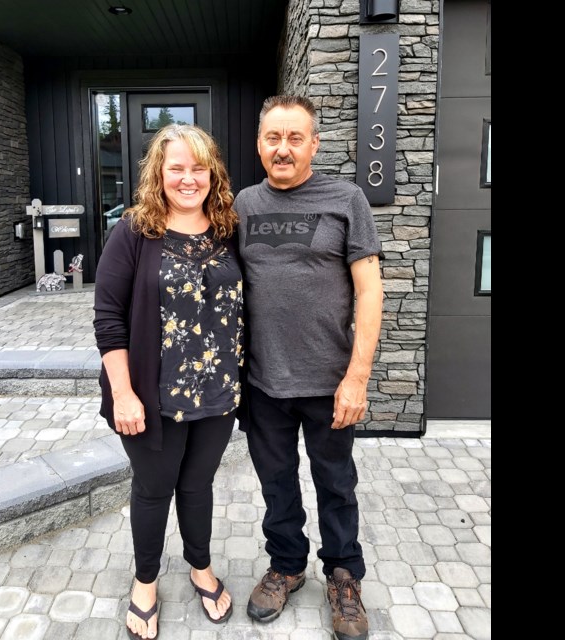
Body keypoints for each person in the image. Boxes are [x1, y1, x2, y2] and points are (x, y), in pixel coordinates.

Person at [235, 95, 384, 640]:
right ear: (259, 144)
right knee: (276, 483)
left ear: (314, 144)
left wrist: (357, 377)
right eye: (273, 137)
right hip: (262, 382)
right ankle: (287, 565)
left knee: (336, 484)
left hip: (328, 381)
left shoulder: (346, 199)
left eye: (295, 137)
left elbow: (370, 291)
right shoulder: (243, 204)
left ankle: (344, 577)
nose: (283, 148)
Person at [94, 123, 243, 640]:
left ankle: (200, 566)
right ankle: (145, 581)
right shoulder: (134, 230)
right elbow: (108, 317)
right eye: (175, 168)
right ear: (158, 175)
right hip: (152, 398)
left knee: (198, 486)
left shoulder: (228, 227)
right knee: (155, 489)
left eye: (197, 168)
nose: (187, 179)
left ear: (211, 173)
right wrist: (123, 393)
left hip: (219, 394)